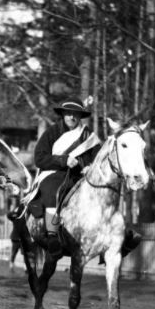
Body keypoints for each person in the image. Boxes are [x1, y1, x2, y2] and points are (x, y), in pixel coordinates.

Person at [27, 98, 100, 255]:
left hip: (81, 177)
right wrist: (63, 160)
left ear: (80, 116)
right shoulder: (51, 132)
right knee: (53, 189)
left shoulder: (89, 136)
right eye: (68, 114)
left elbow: (98, 158)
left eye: (75, 114)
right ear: (63, 115)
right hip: (55, 173)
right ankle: (52, 235)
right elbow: (39, 158)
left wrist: (89, 167)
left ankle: (110, 237)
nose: (72, 118)